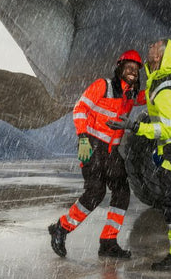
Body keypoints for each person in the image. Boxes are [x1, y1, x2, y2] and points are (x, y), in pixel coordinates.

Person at [108, 39, 171, 271]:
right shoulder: (161, 78)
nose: (150, 48)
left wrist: (134, 127)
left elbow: (165, 127)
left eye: (154, 47)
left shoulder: (166, 83)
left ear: (160, 56)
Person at [48, 50, 147, 259]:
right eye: (129, 67)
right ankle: (61, 228)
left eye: (136, 70)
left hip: (111, 150)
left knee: (121, 191)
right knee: (95, 193)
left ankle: (108, 242)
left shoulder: (130, 94)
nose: (133, 72)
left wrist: (162, 79)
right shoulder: (103, 85)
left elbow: (150, 97)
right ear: (120, 68)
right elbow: (80, 109)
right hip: (91, 145)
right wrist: (83, 138)